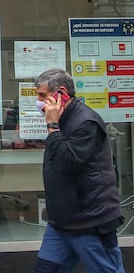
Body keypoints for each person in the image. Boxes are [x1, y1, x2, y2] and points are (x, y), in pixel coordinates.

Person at [33, 68, 125, 272]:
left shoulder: (86, 122)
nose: (38, 102)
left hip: (90, 221)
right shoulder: (65, 120)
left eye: (42, 95)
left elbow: (68, 162)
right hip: (62, 221)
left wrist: (52, 127)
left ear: (61, 93)